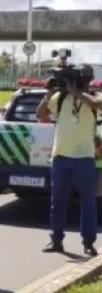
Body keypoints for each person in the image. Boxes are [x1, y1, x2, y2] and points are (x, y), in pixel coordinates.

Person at [36, 69, 100, 256]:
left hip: (85, 158)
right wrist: (48, 93)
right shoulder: (60, 97)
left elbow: (97, 104)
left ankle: (88, 242)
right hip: (61, 157)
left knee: (88, 203)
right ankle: (56, 240)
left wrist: (75, 91)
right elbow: (40, 114)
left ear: (88, 81)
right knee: (58, 202)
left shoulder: (94, 97)